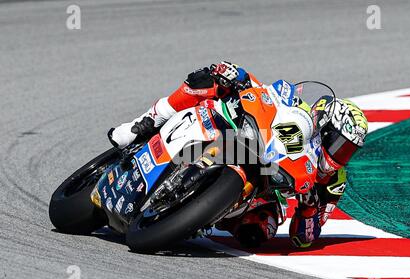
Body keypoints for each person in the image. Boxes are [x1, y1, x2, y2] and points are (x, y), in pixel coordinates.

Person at [108, 61, 368, 248]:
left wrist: (310, 207)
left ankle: (196, 213)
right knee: (208, 80)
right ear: (324, 125)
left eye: (347, 150)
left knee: (260, 232)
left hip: (264, 187)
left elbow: (303, 238)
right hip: (247, 139)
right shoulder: (296, 106)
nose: (339, 155)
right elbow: (265, 91)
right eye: (338, 143)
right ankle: (143, 123)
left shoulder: (334, 182)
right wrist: (238, 76)